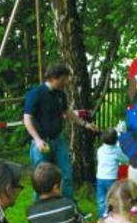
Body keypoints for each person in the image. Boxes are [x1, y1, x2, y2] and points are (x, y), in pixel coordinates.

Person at [22, 63, 99, 200]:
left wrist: (85, 124)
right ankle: (39, 211)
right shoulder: (36, 94)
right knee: (41, 180)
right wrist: (38, 140)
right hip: (41, 143)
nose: (67, 82)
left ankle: (70, 208)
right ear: (53, 78)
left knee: (66, 176)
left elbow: (67, 111)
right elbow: (27, 119)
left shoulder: (60, 94)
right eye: (64, 79)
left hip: (58, 140)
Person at [95, 128, 128, 218]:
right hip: (111, 179)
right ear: (116, 140)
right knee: (113, 198)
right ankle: (114, 216)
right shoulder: (117, 151)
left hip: (100, 177)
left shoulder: (100, 150)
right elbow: (125, 160)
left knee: (101, 199)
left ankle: (103, 216)